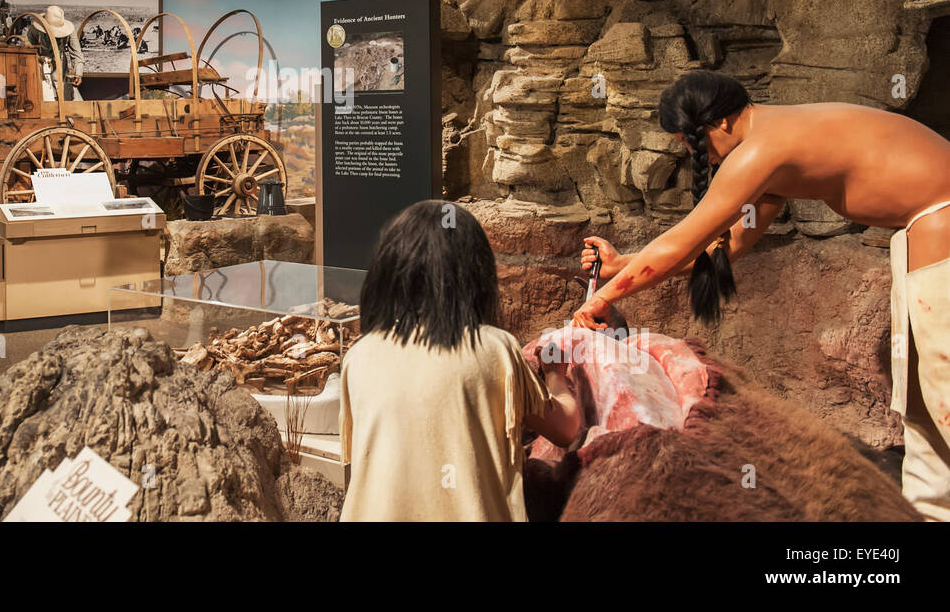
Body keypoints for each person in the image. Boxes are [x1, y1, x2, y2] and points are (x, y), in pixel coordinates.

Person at [571, 69, 950, 521]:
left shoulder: (761, 150)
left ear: (721, 122)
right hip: (921, 233)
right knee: (920, 399)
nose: (698, 155)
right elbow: (728, 246)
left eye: (695, 143)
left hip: (940, 219)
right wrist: (621, 265)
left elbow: (681, 242)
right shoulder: (771, 147)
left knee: (943, 386)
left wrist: (603, 296)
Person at [340, 199, 581, 522]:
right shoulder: (495, 349)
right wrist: (555, 375)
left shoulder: (359, 356)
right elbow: (566, 427)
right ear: (474, 274)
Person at [28, 5, 83, 101]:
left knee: (64, 94)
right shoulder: (35, 29)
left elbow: (77, 53)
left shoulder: (70, 31)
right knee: (45, 95)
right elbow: (29, 49)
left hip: (60, 66)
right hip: (41, 67)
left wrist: (78, 73)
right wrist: (39, 58)